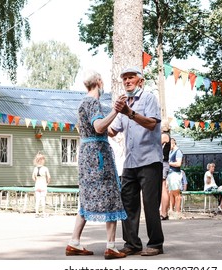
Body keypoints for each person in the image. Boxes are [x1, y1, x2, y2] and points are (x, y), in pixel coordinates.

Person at [65, 70, 127, 260]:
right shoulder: (93, 102)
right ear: (99, 82)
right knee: (111, 194)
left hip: (86, 154)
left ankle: (74, 242)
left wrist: (111, 130)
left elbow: (101, 129)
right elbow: (98, 127)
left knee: (87, 197)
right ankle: (111, 246)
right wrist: (115, 110)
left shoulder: (82, 103)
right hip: (97, 156)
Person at [109, 66, 164, 257]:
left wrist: (129, 112)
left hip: (150, 160)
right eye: (124, 78)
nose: (127, 81)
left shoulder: (149, 98)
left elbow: (151, 124)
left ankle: (156, 244)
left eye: (131, 77)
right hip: (130, 162)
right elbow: (113, 130)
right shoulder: (123, 102)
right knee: (128, 204)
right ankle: (132, 244)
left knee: (150, 204)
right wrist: (95, 122)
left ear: (140, 80)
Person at [167, 138, 183, 213]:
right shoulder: (171, 151)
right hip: (170, 173)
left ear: (173, 143)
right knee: (171, 193)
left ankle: (178, 211)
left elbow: (178, 163)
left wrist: (168, 163)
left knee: (176, 193)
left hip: (175, 174)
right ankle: (171, 210)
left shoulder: (178, 151)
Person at [32, 152, 51, 218]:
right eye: (44, 159)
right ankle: (43, 212)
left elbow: (33, 177)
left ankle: (36, 213)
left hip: (37, 185)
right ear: (42, 160)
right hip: (43, 185)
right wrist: (47, 182)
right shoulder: (45, 168)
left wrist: (36, 180)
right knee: (43, 199)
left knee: (37, 199)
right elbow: (49, 177)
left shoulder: (35, 168)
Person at [160, 121, 171, 220]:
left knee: (163, 187)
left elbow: (155, 144)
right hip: (163, 163)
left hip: (163, 163)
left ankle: (164, 213)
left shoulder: (164, 136)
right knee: (162, 187)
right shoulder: (166, 135)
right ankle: (164, 212)